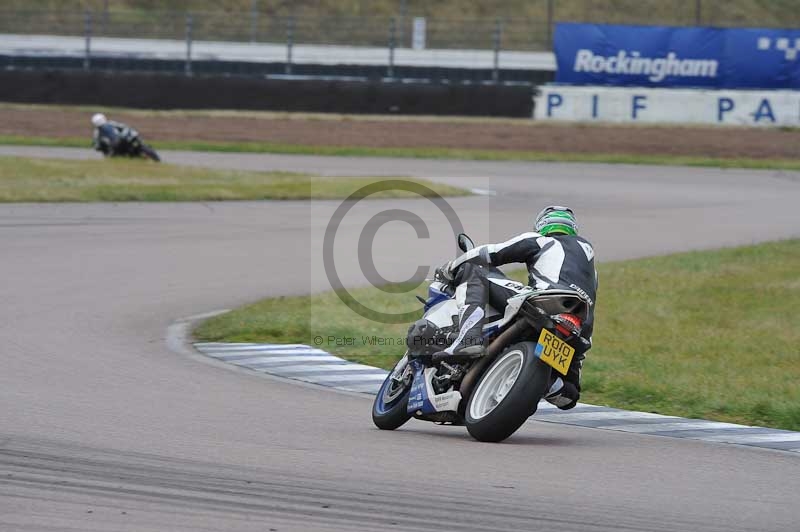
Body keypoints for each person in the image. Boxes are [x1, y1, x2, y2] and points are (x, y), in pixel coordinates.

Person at [432, 205, 598, 410]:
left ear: (543, 225)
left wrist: (450, 267)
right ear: (573, 228)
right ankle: (551, 385)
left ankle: (468, 337)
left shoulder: (543, 240)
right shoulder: (590, 264)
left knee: (472, 270)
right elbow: (569, 404)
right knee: (570, 393)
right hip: (580, 328)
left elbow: (490, 253)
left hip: (546, 301)